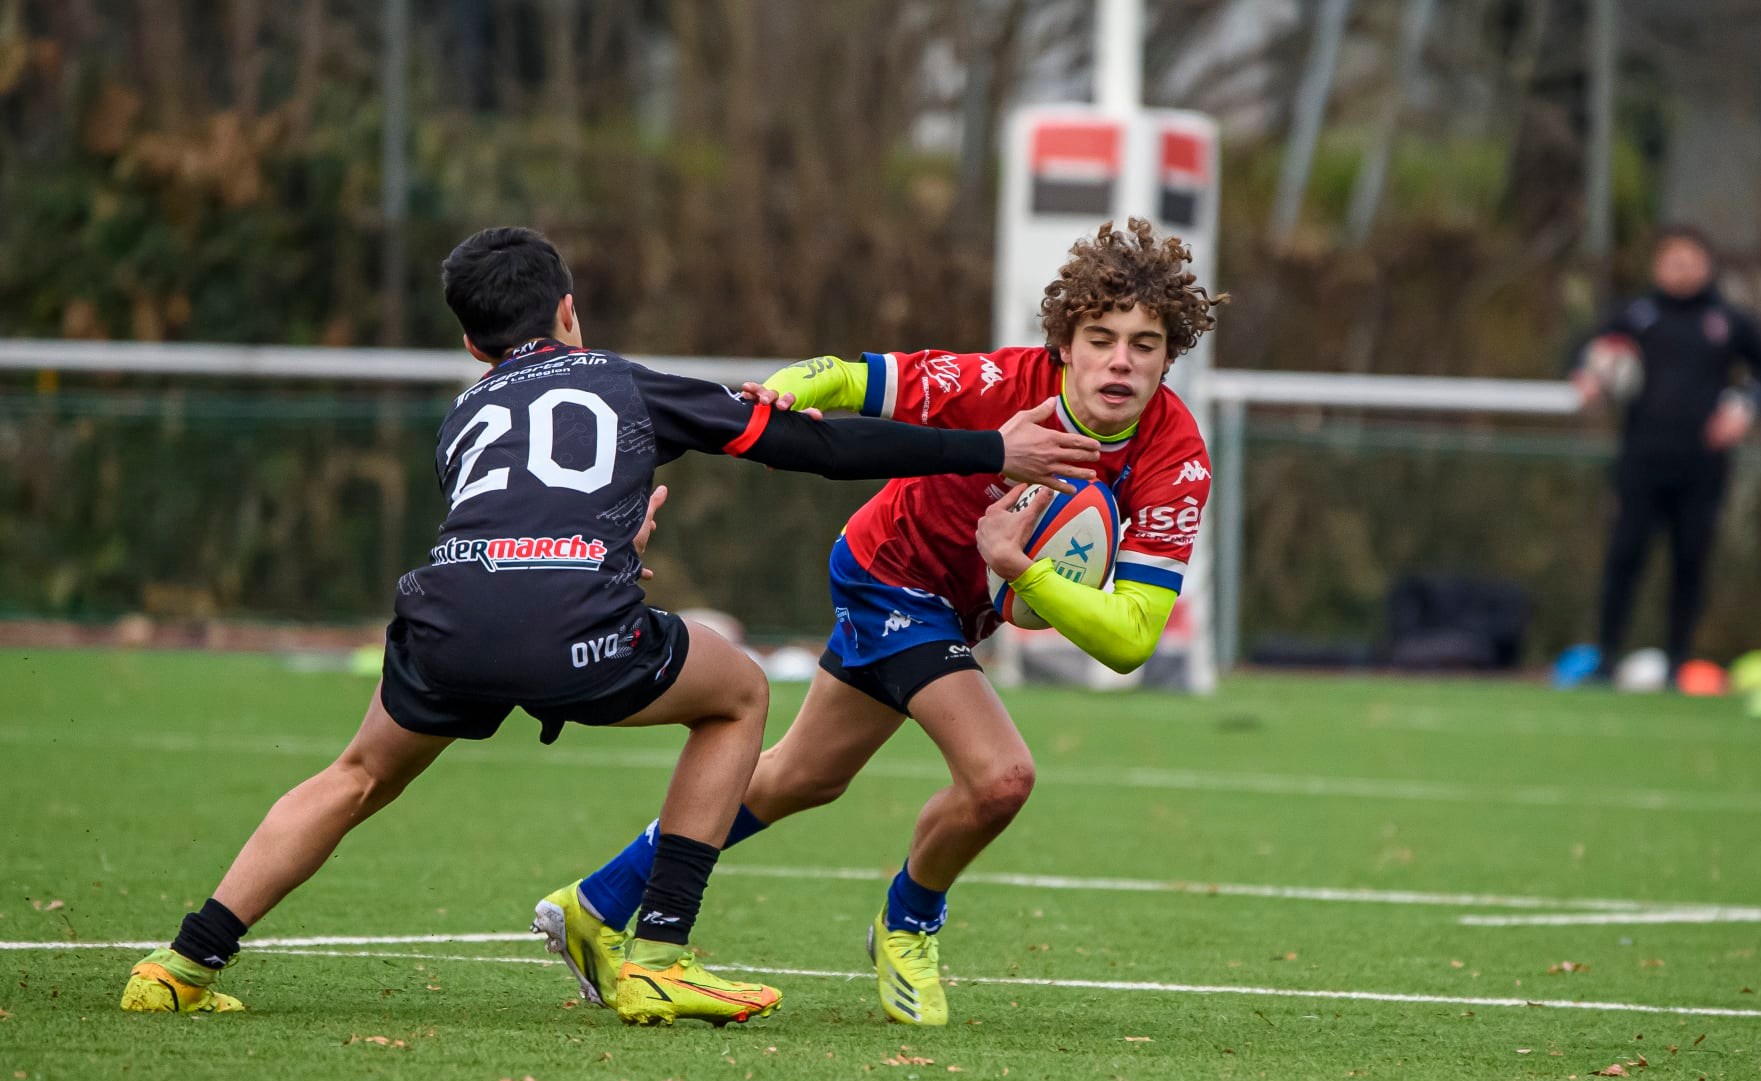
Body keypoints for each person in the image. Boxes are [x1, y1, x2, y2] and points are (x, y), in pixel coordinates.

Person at [120, 226, 1100, 1026]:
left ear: (472, 344)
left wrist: (609, 544)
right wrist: (989, 449)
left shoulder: (463, 415)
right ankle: (660, 954)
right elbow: (815, 446)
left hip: (446, 616)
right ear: (568, 310)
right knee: (739, 691)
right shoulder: (626, 383)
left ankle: (182, 961)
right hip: (569, 625)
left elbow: (510, 519)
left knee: (355, 775)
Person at [549, 218, 1227, 1025]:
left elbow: (1132, 638)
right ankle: (909, 924)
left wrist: (1021, 570)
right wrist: (780, 393)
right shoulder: (998, 382)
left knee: (803, 777)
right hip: (888, 573)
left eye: (1144, 344)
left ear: (1168, 356)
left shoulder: (1175, 456)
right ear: (1064, 345)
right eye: (1101, 339)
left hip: (959, 610)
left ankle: (595, 903)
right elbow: (850, 378)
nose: (1120, 361)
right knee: (1001, 777)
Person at [1571, 226, 1761, 680]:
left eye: (1692, 261)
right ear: (1658, 266)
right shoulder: (1634, 315)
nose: (1683, 270)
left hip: (1703, 463)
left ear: (1707, 265)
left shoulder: (1728, 319)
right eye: (1674, 261)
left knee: (1690, 560)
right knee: (1624, 555)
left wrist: (1745, 406)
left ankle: (1678, 660)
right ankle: (1606, 656)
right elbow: (1583, 352)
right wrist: (1587, 374)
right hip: (1641, 459)